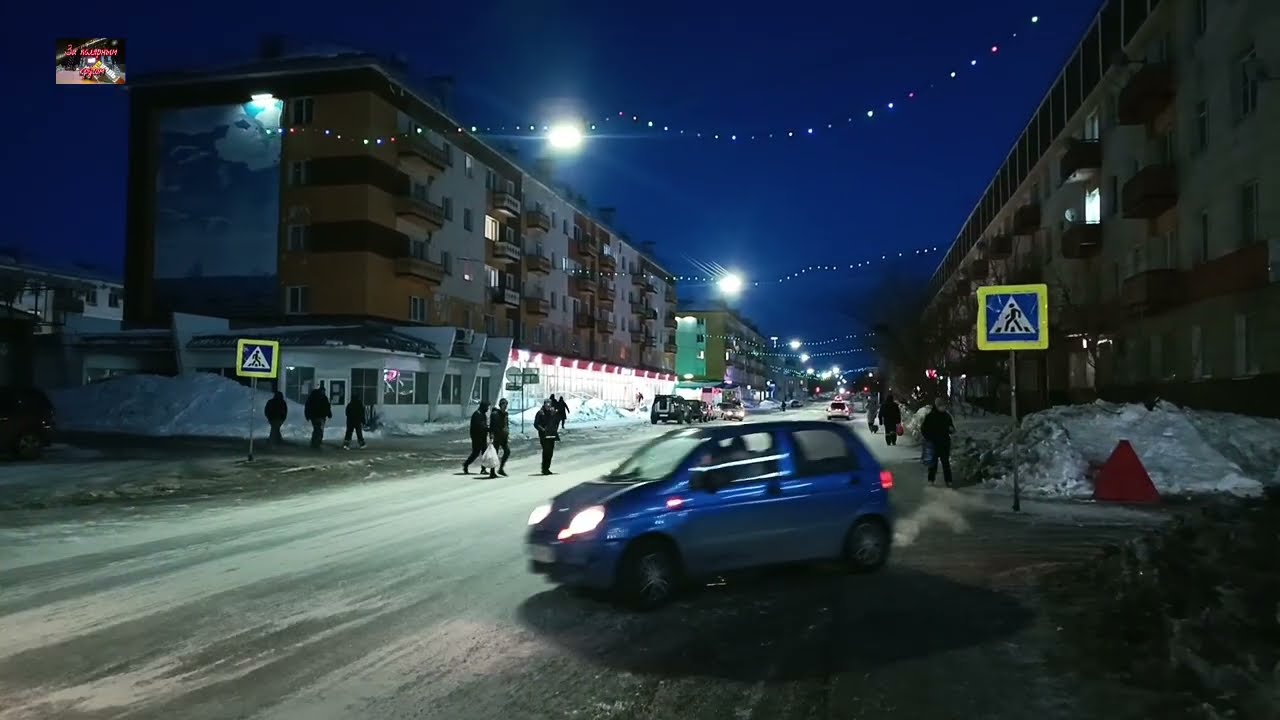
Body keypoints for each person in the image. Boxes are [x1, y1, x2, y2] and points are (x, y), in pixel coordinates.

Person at [920, 397, 956, 487]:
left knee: (945, 462)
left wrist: (951, 429)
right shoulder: (930, 416)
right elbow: (923, 429)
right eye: (941, 406)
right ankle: (931, 479)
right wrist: (928, 438)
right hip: (934, 443)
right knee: (933, 463)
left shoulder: (947, 416)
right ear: (937, 406)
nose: (943, 407)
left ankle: (948, 480)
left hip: (944, 443)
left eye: (944, 405)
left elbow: (951, 427)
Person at [462, 401, 491, 474]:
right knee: (475, 453)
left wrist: (488, 429)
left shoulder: (483, 414)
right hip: (477, 438)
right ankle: (466, 464)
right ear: (483, 407)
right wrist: (488, 429)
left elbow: (484, 425)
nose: (488, 409)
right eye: (487, 407)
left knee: (484, 453)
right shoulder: (477, 414)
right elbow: (479, 427)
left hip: (483, 437)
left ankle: (483, 469)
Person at [534, 399, 560, 475]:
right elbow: (536, 424)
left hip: (551, 434)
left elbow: (557, 421)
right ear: (544, 405)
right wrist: (542, 429)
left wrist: (555, 428)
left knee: (550, 452)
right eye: (547, 404)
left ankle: (547, 468)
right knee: (546, 451)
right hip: (544, 435)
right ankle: (544, 468)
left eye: (549, 405)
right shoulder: (540, 413)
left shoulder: (552, 413)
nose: (548, 406)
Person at [488, 398, 511, 477]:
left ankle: (501, 468)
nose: (505, 406)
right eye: (504, 405)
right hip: (497, 436)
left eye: (506, 405)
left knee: (507, 451)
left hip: (504, 437)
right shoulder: (495, 414)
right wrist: (491, 435)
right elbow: (491, 426)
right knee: (495, 454)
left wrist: (507, 432)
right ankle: (492, 472)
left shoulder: (506, 414)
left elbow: (506, 424)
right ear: (500, 405)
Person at [304, 384, 331, 449]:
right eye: (323, 391)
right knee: (319, 429)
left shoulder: (313, 397)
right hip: (319, 416)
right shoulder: (322, 398)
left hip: (316, 416)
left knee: (317, 429)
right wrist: (329, 413)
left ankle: (316, 440)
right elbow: (327, 406)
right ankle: (317, 441)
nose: (324, 392)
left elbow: (307, 407)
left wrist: (307, 415)